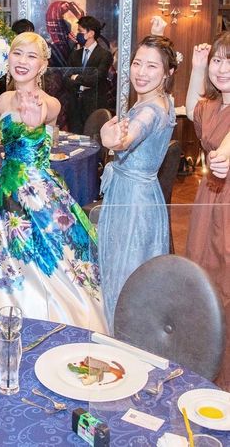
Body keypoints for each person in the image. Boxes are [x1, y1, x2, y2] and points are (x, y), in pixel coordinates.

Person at [0, 32, 107, 332]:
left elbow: (41, 118)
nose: (22, 61)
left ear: (42, 66)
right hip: (5, 190)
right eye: (17, 53)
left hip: (38, 191)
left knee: (46, 260)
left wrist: (34, 117)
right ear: (8, 59)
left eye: (31, 56)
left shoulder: (49, 102)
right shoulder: (5, 98)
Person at [98, 35, 178, 332]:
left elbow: (130, 136)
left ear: (168, 73)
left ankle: (121, 339)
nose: (141, 72)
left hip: (133, 202)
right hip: (142, 195)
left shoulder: (150, 109)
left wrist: (114, 140)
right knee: (135, 272)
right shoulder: (162, 100)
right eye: (137, 63)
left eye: (152, 66)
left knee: (125, 273)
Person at [185, 33, 230, 390]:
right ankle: (203, 363)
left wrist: (223, 157)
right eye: (218, 60)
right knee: (201, 277)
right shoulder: (213, 105)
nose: (222, 68)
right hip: (209, 196)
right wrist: (197, 68)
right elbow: (192, 111)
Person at [64, 15, 114, 133]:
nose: (77, 35)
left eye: (80, 31)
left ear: (91, 33)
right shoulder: (75, 54)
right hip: (75, 107)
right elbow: (66, 77)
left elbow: (97, 77)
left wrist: (76, 77)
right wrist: (81, 81)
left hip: (94, 106)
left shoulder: (104, 55)